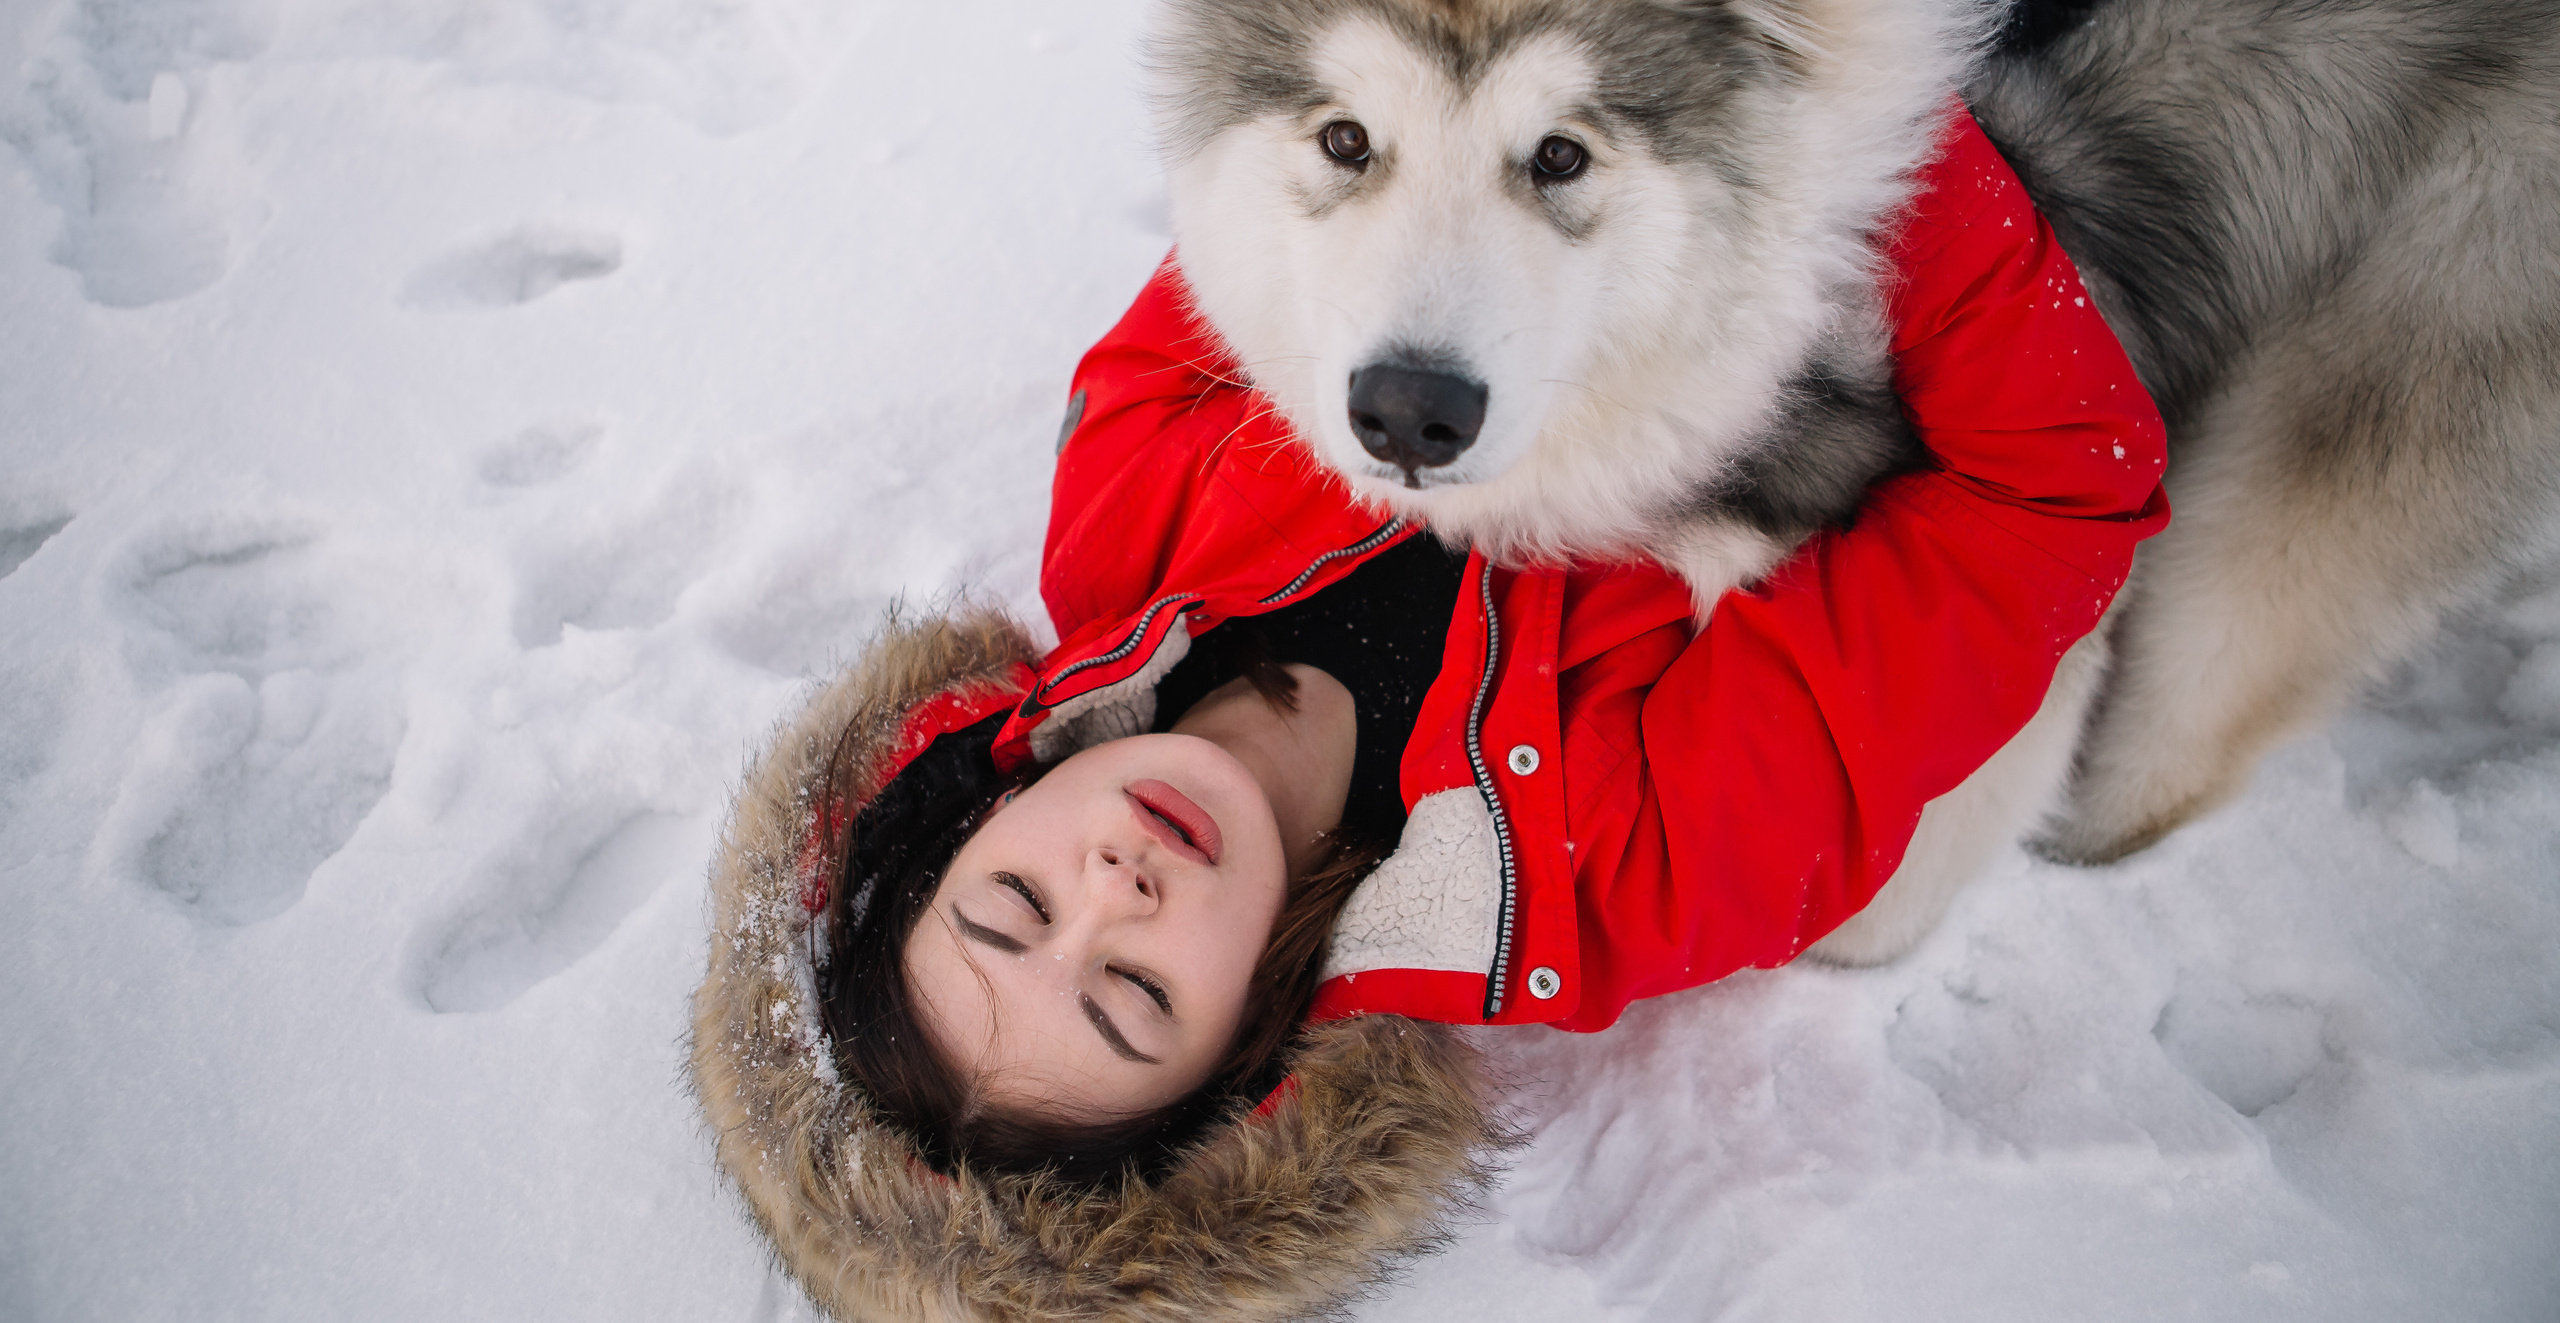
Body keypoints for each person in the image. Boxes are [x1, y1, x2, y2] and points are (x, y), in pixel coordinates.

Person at [690, 106, 2169, 1322]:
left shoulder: (1119, 512)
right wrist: (1889, 117)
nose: (1111, 895)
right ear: (1248, 1063)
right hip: (2037, 190)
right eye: (1134, 997)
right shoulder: (1635, 866)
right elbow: (2053, 489)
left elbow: (1283, 194)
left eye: (1012, 903)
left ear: (975, 814)